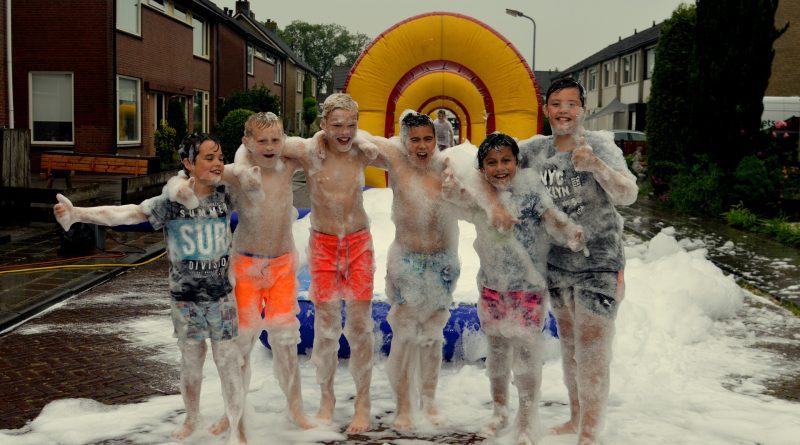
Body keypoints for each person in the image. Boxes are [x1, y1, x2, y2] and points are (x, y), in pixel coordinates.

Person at [53, 133, 247, 445]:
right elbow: (127, 213)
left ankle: (237, 427)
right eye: (209, 157)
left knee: (228, 362)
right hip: (186, 300)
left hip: (222, 297)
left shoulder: (227, 193)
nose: (218, 163)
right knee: (191, 363)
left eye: (220, 156)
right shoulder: (171, 202)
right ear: (188, 162)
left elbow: (258, 177)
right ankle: (192, 418)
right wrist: (78, 215)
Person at [442, 132, 585, 445]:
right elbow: (452, 179)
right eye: (491, 162)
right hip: (492, 286)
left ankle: (525, 419)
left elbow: (551, 218)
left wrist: (569, 232)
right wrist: (453, 187)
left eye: (506, 160)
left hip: (528, 287)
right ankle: (499, 411)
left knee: (524, 356)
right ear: (482, 170)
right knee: (495, 353)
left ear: (517, 162)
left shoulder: (530, 188)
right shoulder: (481, 196)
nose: (500, 167)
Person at [517, 78, 638, 445]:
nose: (564, 110)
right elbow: (490, 164)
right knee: (569, 343)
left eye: (572, 103)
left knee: (592, 347)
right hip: (556, 263)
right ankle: (574, 418)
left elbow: (628, 194)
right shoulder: (536, 152)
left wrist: (595, 165)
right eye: (557, 103)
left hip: (599, 260)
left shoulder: (599, 145)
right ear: (546, 110)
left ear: (583, 109)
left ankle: (589, 433)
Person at [280, 93, 378, 433]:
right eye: (337, 125)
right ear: (323, 125)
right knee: (325, 328)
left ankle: (362, 402)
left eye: (352, 125)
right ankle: (327, 399)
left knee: (361, 327)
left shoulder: (362, 151)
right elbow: (259, 146)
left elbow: (402, 152)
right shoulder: (309, 151)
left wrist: (365, 140)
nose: (345, 132)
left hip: (358, 243)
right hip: (322, 245)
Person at [365, 111, 463, 431]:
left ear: (437, 140)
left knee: (433, 335)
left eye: (428, 139)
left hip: (442, 261)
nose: (422, 146)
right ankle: (404, 405)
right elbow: (355, 139)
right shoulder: (395, 158)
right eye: (415, 140)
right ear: (403, 141)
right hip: (406, 259)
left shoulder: (448, 164)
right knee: (406, 332)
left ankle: (430, 400)